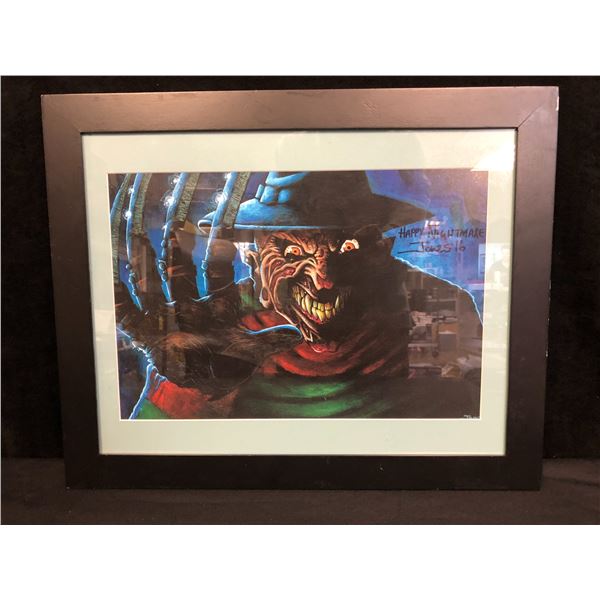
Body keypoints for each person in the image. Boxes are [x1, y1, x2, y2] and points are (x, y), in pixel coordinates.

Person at [117, 171, 482, 419]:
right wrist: (193, 390)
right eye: (292, 254)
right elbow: (153, 461)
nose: (324, 279)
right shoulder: (217, 324)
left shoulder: (432, 303)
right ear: (254, 261)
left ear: (380, 251)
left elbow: (481, 417)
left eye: (347, 247)